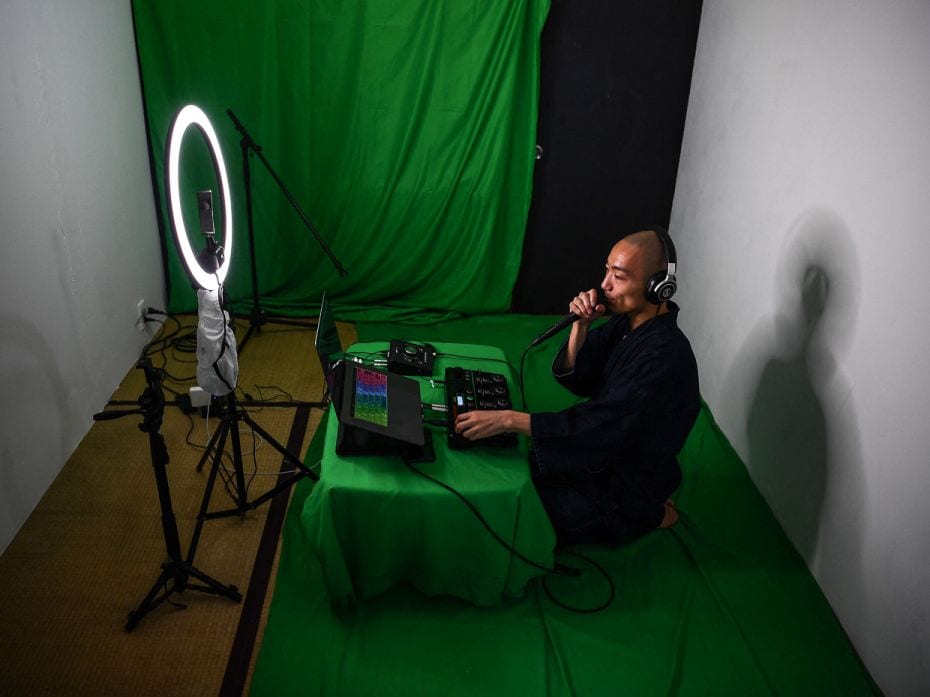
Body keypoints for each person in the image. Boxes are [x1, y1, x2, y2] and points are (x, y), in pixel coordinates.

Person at [454, 229, 700, 545]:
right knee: (510, 473)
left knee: (509, 510)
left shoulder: (663, 355)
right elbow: (582, 379)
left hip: (621, 485)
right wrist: (580, 326)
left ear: (658, 288)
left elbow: (601, 423)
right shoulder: (626, 325)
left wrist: (509, 420)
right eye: (607, 270)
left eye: (619, 277)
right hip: (598, 459)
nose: (605, 285)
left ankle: (646, 513)